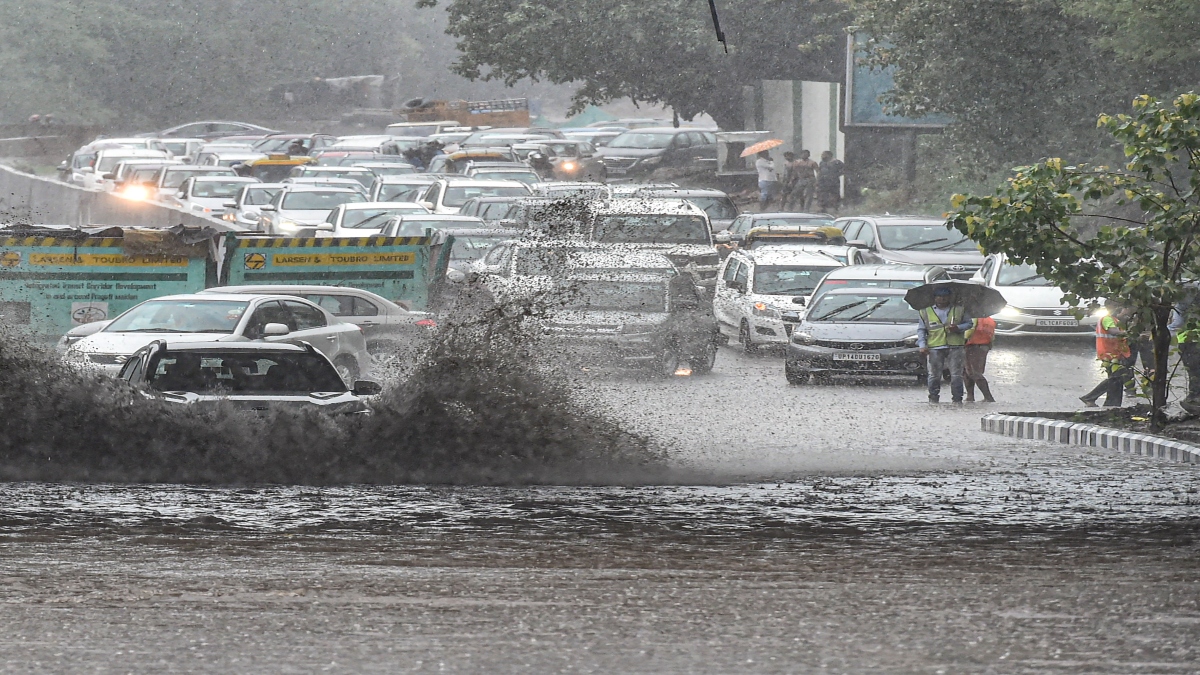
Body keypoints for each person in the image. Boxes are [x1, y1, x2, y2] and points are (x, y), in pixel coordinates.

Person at [917, 286, 972, 403]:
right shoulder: (925, 312)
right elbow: (921, 330)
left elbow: (969, 323)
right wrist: (922, 345)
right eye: (939, 297)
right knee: (934, 375)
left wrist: (958, 328)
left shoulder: (959, 310)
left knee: (956, 375)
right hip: (935, 347)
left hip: (955, 346)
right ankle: (933, 397)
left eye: (945, 297)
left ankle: (957, 399)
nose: (942, 299)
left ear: (950, 297)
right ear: (935, 298)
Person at [1080, 303, 1135, 407]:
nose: (1128, 312)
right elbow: (1113, 332)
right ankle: (1091, 397)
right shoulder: (1108, 319)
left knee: (1117, 379)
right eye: (1126, 309)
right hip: (1108, 353)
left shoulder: (1116, 321)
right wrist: (1131, 334)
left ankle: (1112, 404)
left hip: (1114, 353)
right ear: (1120, 309)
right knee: (1116, 377)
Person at [1169, 285, 1200, 413]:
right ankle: (1194, 397)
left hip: (1189, 341)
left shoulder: (1182, 305)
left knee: (1193, 372)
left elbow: (1177, 323)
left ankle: (1194, 397)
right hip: (1191, 341)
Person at [964, 315, 996, 403]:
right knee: (968, 372)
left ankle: (988, 397)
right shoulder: (989, 319)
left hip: (973, 345)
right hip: (984, 345)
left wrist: (963, 339)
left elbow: (969, 331)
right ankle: (970, 396)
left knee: (973, 372)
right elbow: (992, 335)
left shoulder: (974, 318)